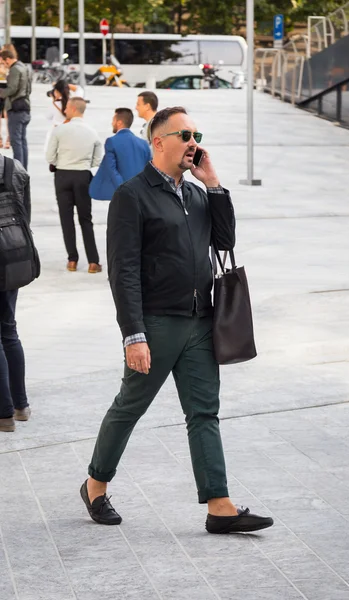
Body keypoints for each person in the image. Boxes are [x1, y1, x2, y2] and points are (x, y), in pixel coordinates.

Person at [80, 106, 274, 535]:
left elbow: (225, 241)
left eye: (196, 134)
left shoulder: (197, 194)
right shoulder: (132, 195)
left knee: (204, 413)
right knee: (129, 407)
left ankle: (219, 505)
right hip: (156, 323)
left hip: (200, 321)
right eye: (184, 134)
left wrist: (214, 184)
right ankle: (95, 484)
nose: (192, 142)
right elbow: (124, 271)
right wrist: (134, 335)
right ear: (158, 141)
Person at [45, 97, 103, 274]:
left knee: (66, 219)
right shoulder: (92, 132)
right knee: (86, 219)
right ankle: (93, 261)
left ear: (71, 108)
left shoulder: (59, 130)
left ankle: (72, 260)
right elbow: (97, 159)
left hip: (62, 175)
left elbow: (50, 156)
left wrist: (60, 161)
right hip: (83, 175)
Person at [0, 153, 32, 432]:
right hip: (12, 255)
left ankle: (4, 413)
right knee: (8, 329)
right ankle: (21, 405)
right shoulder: (15, 167)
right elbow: (25, 216)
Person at [89, 108, 151, 201]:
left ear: (119, 122)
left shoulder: (112, 141)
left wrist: (123, 189)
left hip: (123, 193)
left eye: (113, 120)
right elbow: (149, 168)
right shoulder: (143, 143)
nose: (112, 123)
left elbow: (111, 169)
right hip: (140, 192)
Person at [0, 48, 31, 170]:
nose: (4, 65)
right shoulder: (23, 67)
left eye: (3, 62)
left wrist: (1, 92)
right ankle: (23, 169)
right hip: (25, 107)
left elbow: (12, 89)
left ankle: (18, 171)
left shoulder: (14, 69)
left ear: (7, 59)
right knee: (22, 141)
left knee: (16, 142)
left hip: (16, 109)